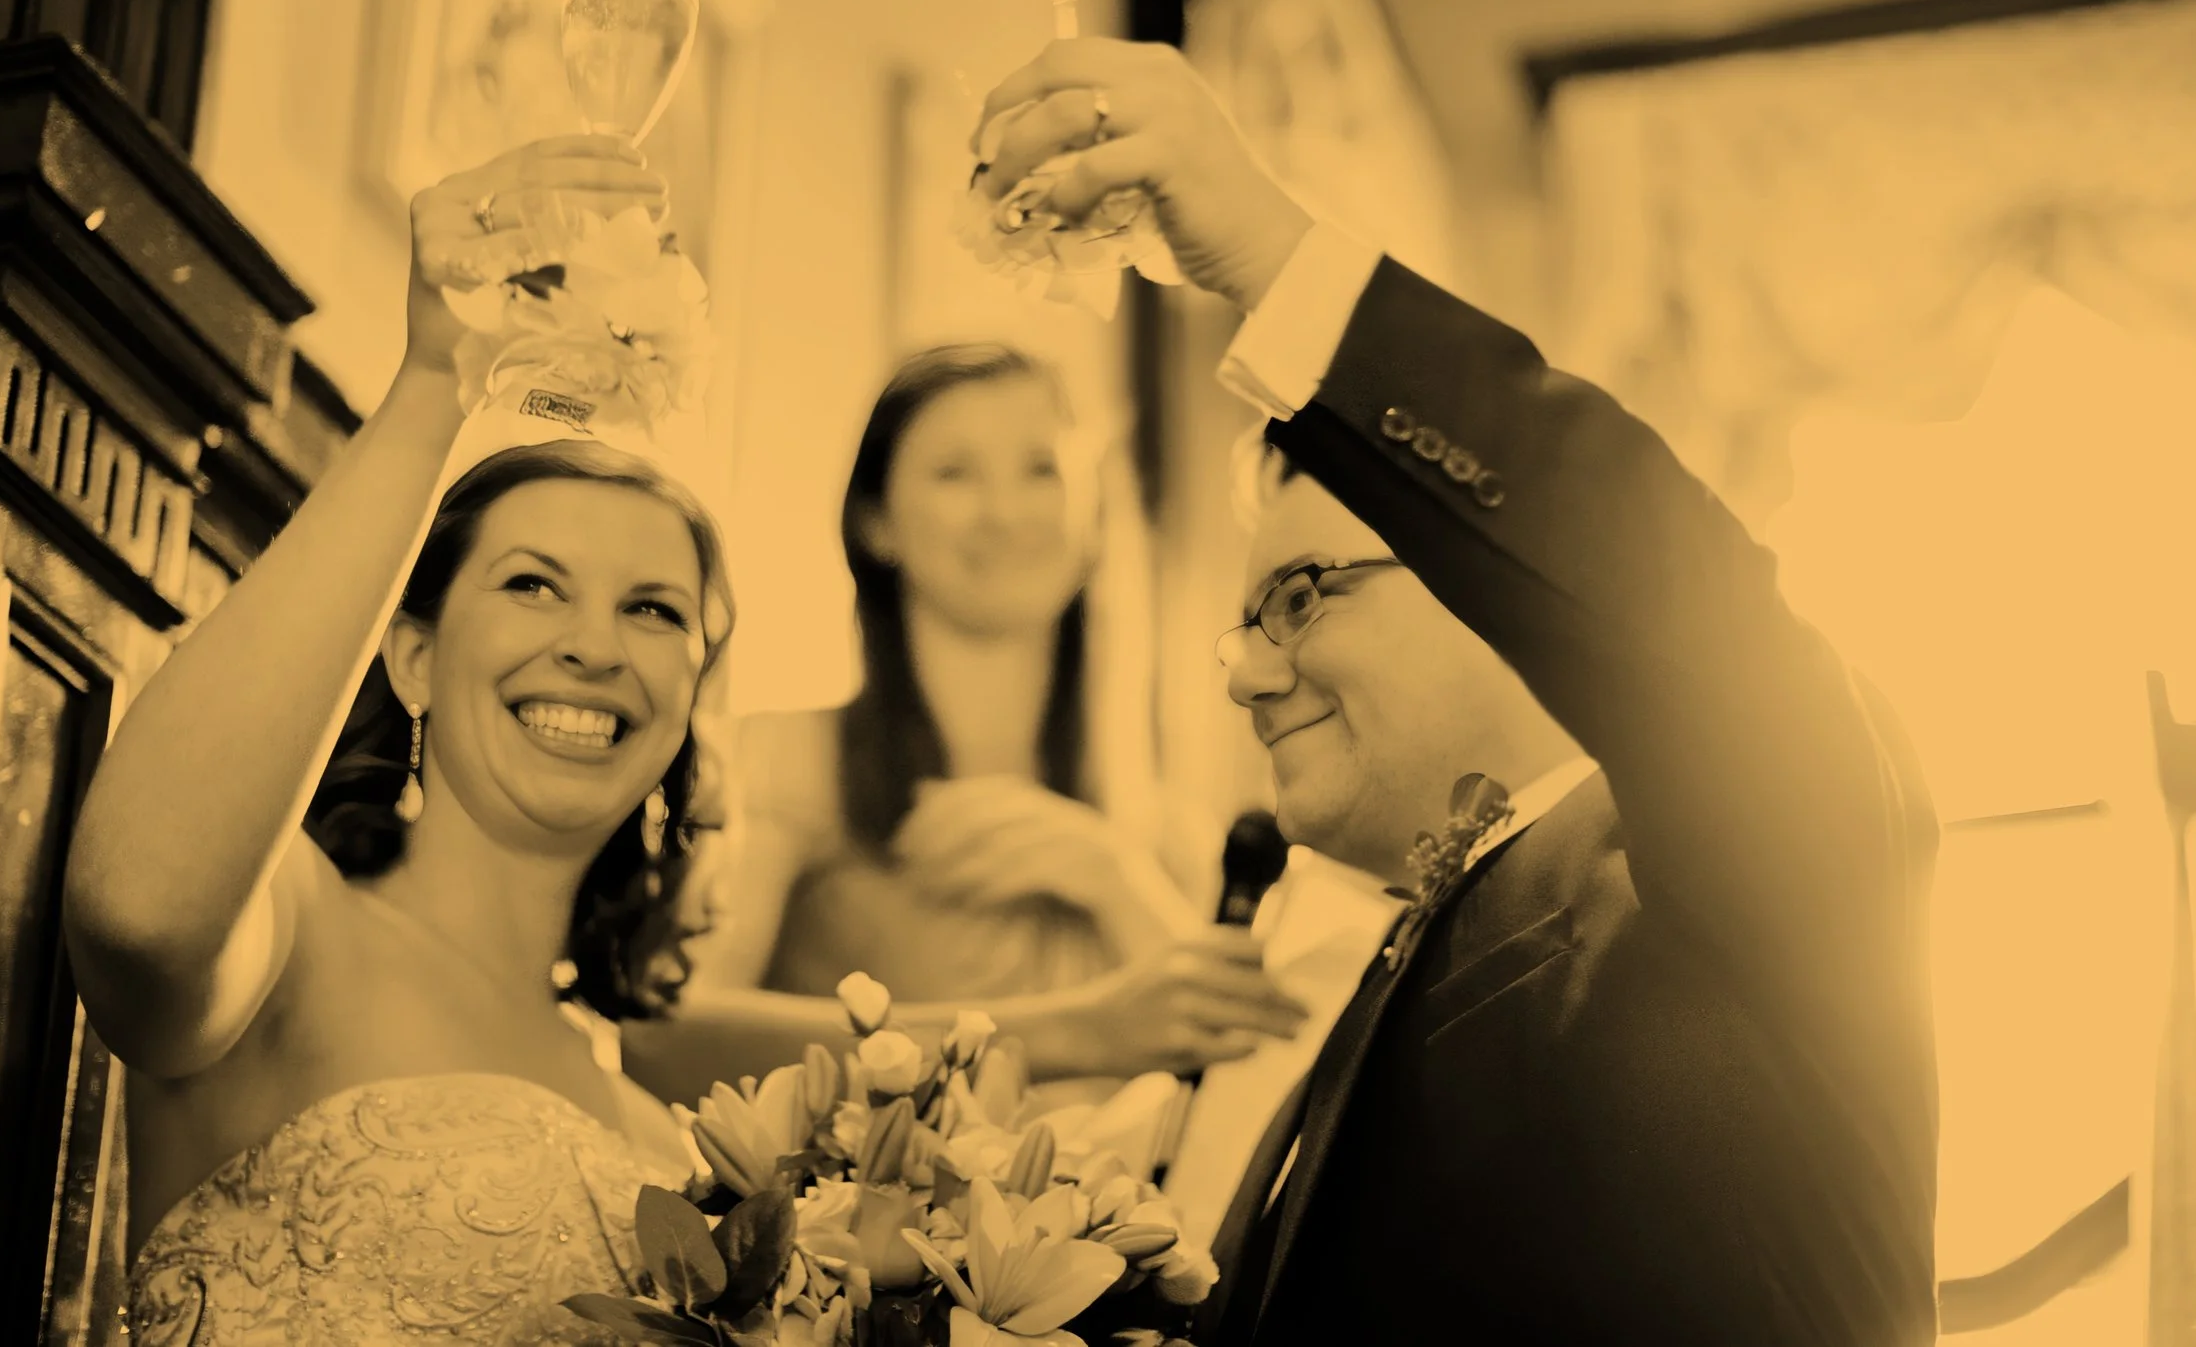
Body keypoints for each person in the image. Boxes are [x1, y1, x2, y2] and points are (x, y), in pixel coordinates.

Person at [970, 39, 1940, 1346]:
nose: (1249, 669)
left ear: (1492, 586)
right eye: (1244, 620)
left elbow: (1690, 606)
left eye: (1304, 592)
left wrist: (1270, 257)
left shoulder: (1732, 838)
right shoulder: (1357, 971)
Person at [63, 136, 732, 1342]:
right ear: (412, 656)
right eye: (534, 585)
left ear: (687, 701)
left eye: (653, 607)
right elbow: (138, 911)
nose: (595, 644)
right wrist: (438, 387)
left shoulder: (667, 1146)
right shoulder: (293, 930)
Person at [624, 345, 1307, 1104]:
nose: (1005, 511)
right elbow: (660, 1036)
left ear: (1092, 518)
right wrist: (1075, 1029)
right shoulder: (786, 761)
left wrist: (1115, 881)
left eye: (1040, 469)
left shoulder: (1162, 839)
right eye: (955, 472)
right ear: (876, 522)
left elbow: (1257, 1097)